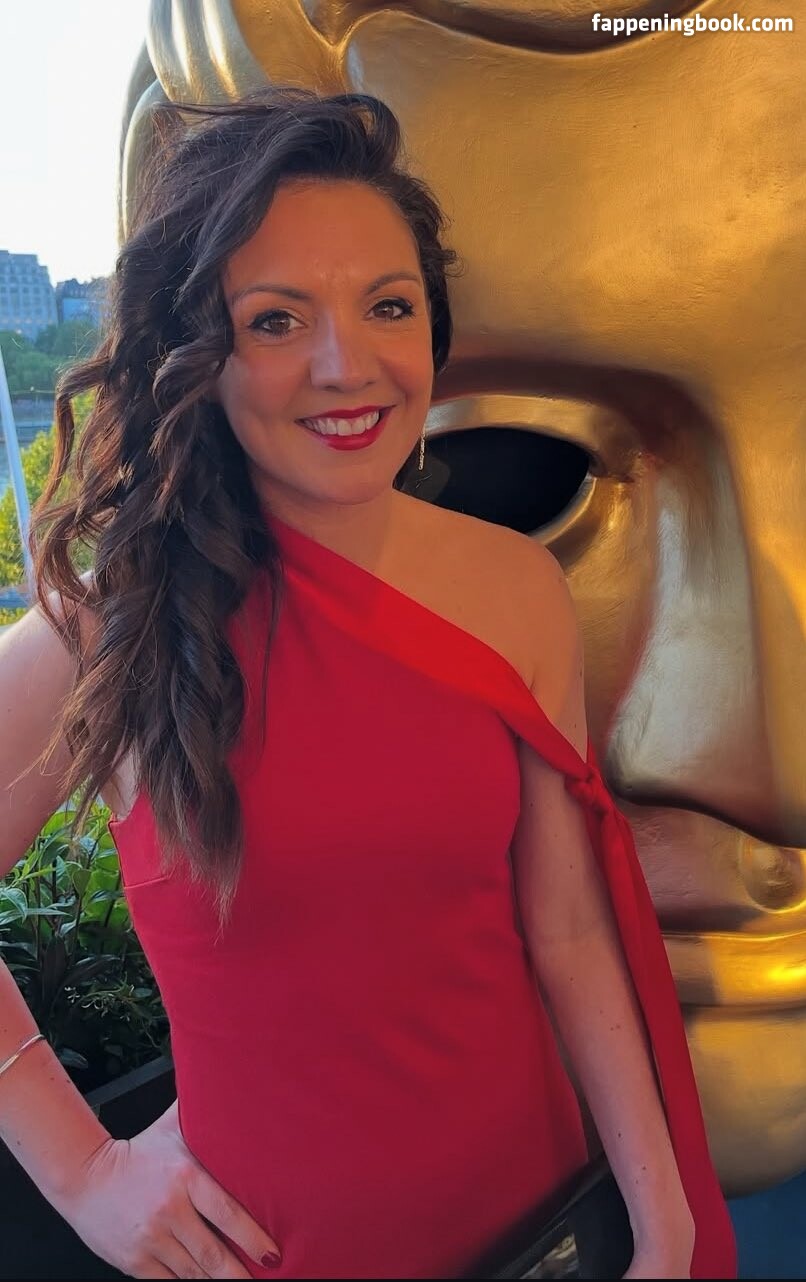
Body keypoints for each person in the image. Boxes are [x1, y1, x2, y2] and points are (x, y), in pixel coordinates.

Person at [0, 89, 735, 1280]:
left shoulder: (515, 587)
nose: (346, 366)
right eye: (276, 319)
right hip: (282, 1250)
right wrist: (84, 1173)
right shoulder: (110, 621)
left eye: (386, 305)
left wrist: (662, 1226)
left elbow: (566, 931)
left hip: (547, 1220)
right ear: (198, 354)